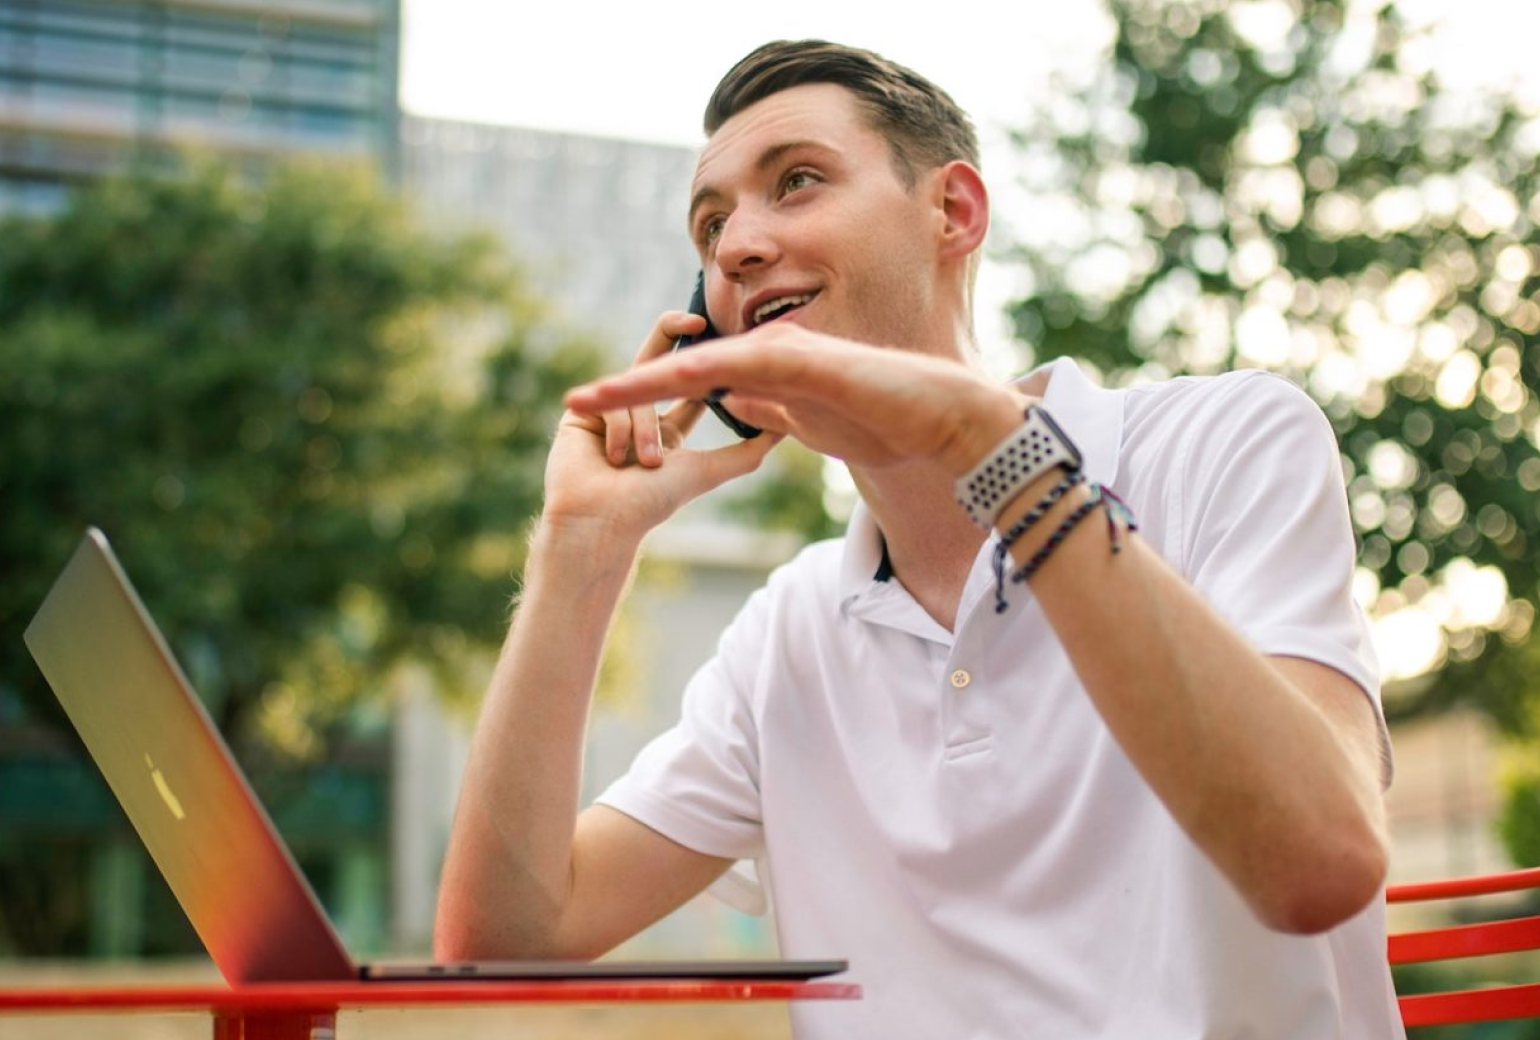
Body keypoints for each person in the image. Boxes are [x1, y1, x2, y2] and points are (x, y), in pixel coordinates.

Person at [436, 39, 1407, 1039]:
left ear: (952, 211)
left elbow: (1319, 862)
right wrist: (578, 547)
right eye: (712, 224)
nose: (734, 247)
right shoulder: (788, 635)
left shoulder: (1226, 441)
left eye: (796, 182)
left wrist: (981, 447)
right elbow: (500, 941)